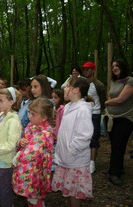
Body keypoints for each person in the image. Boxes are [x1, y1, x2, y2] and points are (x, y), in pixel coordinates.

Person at [52, 77, 94, 207]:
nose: (64, 88)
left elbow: (84, 136)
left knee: (75, 192)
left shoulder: (83, 109)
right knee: (69, 190)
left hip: (75, 161)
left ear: (76, 90)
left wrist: (71, 151)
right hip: (66, 159)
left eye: (67, 86)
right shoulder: (69, 107)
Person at [12, 98, 55, 207]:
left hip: (36, 174)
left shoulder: (46, 133)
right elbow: (24, 143)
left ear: (44, 117)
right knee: (30, 197)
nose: (30, 116)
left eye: (33, 114)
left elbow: (38, 154)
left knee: (35, 198)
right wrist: (20, 142)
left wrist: (20, 155)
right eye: (29, 112)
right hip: (26, 170)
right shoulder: (31, 126)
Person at [105, 59, 133, 186]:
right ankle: (119, 167)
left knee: (119, 145)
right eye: (113, 66)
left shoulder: (130, 81)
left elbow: (120, 100)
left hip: (125, 118)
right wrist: (110, 101)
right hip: (111, 118)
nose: (115, 68)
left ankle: (114, 173)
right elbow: (111, 96)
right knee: (115, 144)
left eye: (117, 66)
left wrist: (106, 103)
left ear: (123, 66)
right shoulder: (114, 81)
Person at [81, 61, 106, 174]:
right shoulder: (83, 84)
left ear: (93, 70)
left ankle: (92, 163)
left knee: (94, 137)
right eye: (84, 69)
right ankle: (84, 159)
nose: (85, 71)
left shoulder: (99, 84)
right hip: (84, 113)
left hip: (95, 113)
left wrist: (99, 111)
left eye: (88, 69)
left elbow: (103, 99)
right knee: (83, 136)